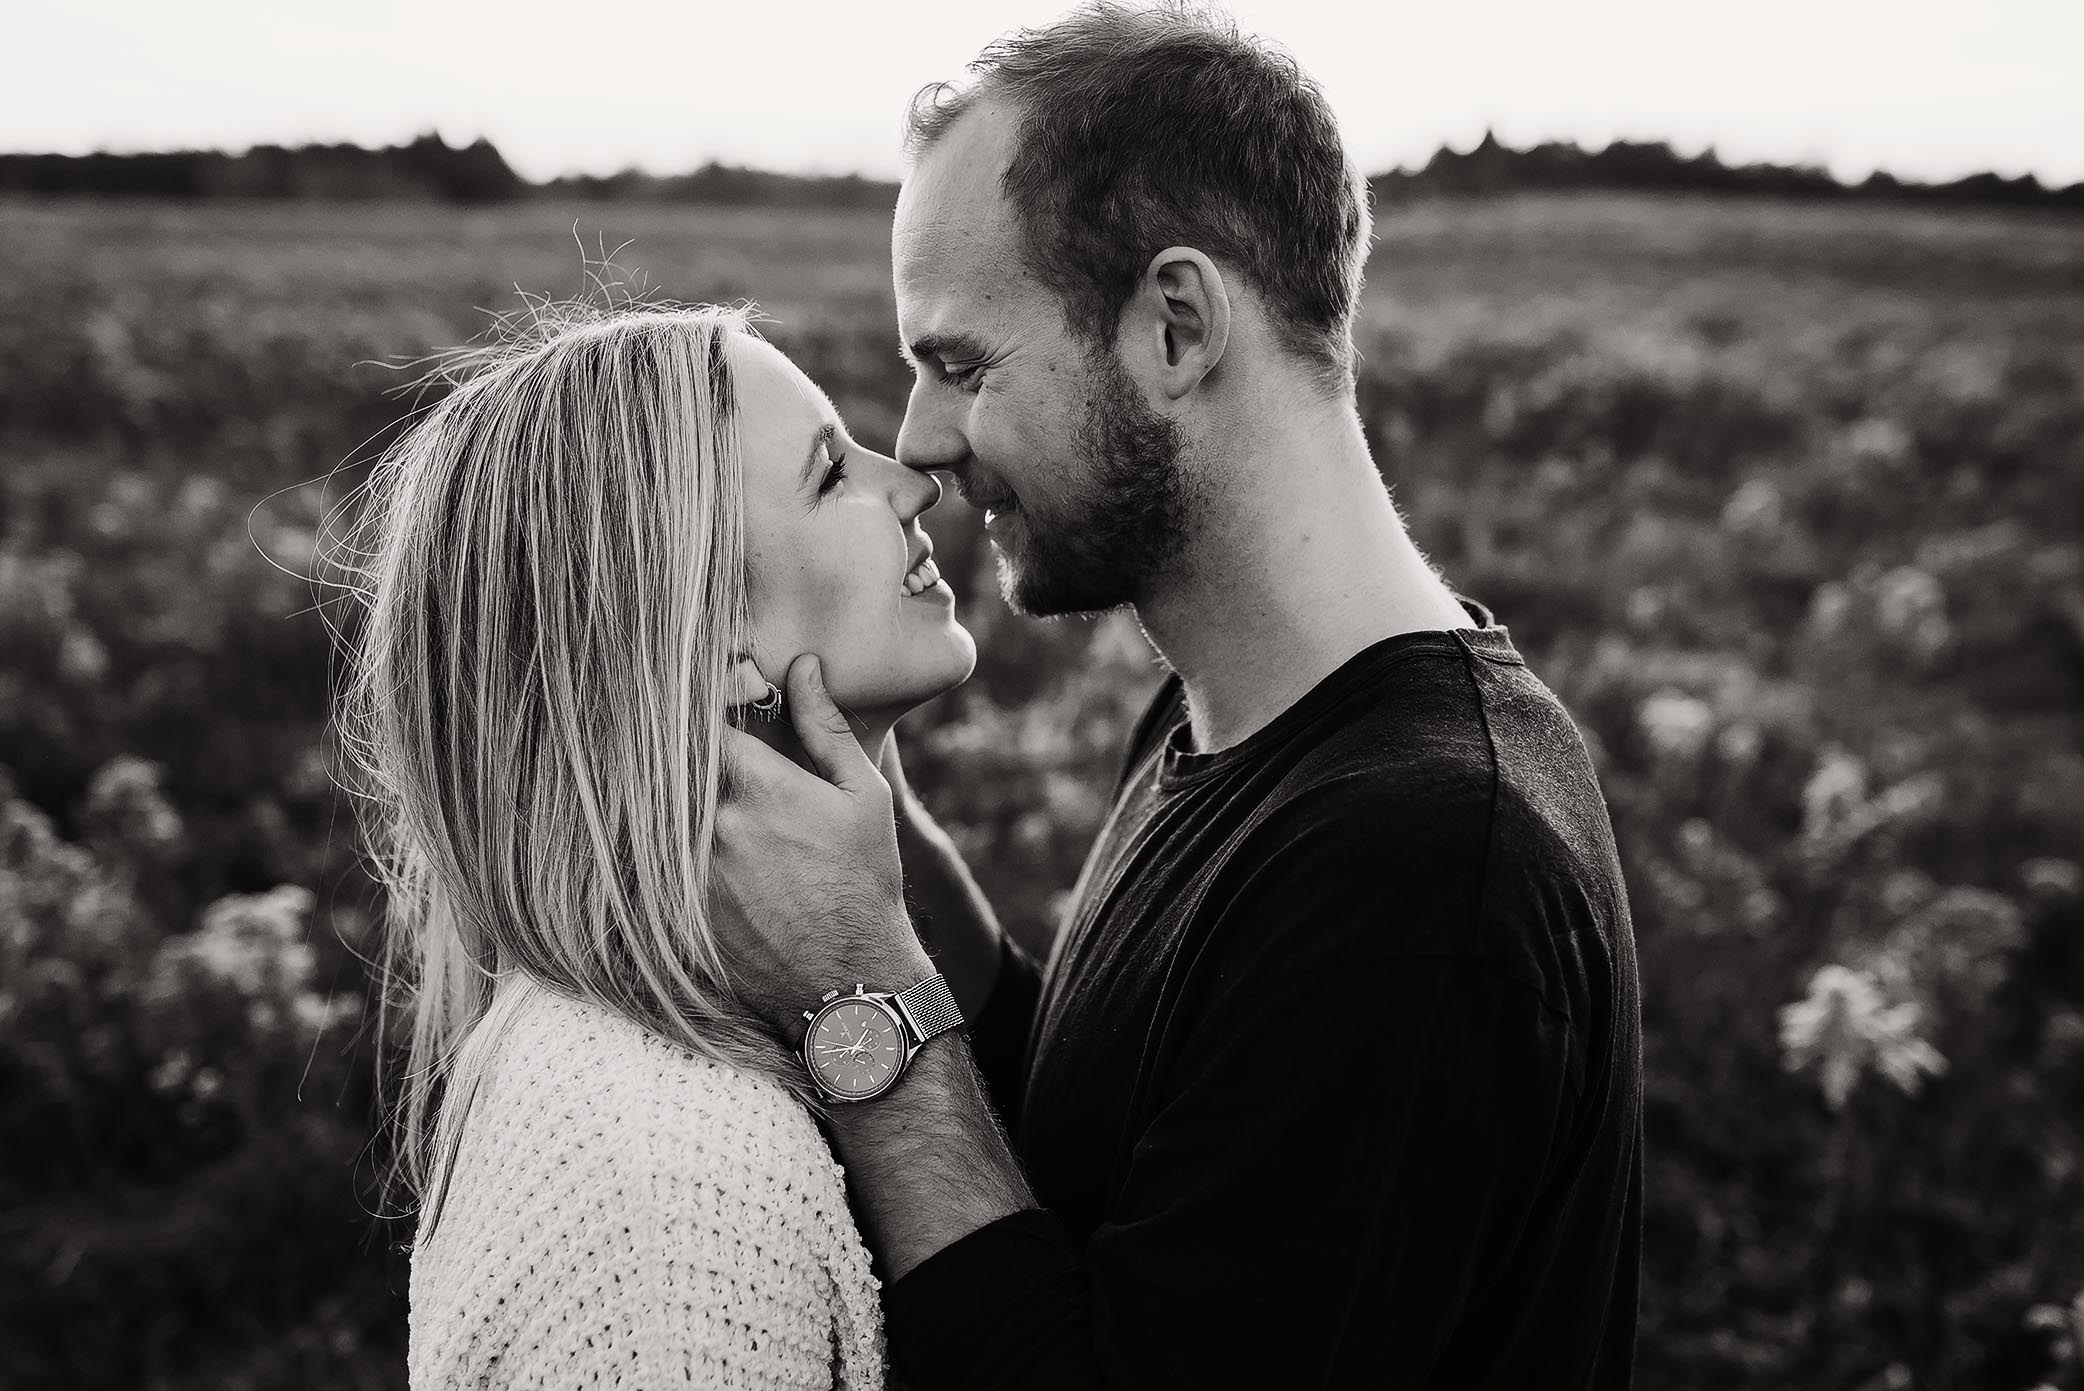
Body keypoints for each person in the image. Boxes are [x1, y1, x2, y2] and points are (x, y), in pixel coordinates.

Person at [707, 5, 1644, 1389]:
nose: (920, 441)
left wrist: (859, 994)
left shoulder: (1419, 869)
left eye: (960, 364)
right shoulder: (1242, 719)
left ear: (1175, 325)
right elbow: (1102, 1136)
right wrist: (871, 829)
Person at [334, 301, 980, 1388]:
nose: (915, 481)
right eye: (830, 475)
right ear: (709, 634)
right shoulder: (667, 1201)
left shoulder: (681, 1068)